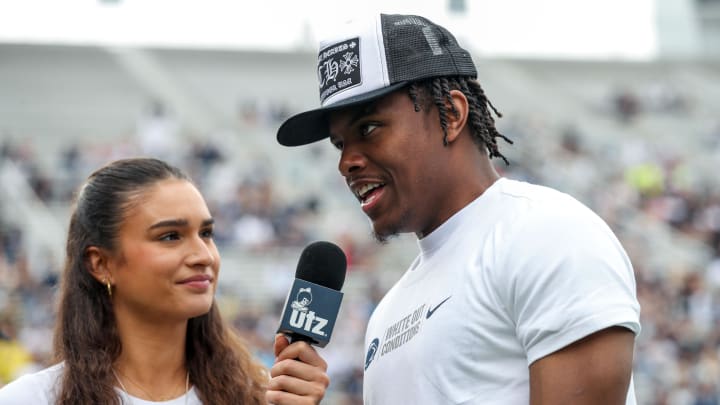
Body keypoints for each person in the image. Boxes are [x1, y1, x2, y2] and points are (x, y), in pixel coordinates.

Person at [276, 13, 641, 405]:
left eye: (368, 129)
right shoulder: (386, 314)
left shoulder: (547, 234)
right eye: (339, 144)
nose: (346, 162)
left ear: (451, 115)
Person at [0, 157, 329, 404]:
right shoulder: (32, 399)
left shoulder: (259, 394)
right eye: (170, 236)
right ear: (100, 264)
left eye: (207, 233)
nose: (204, 255)